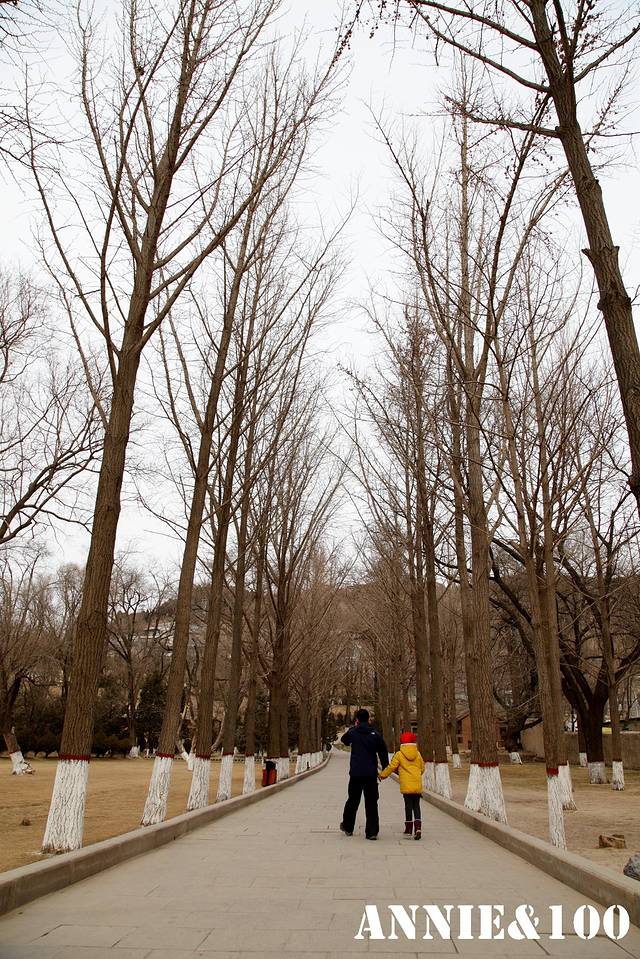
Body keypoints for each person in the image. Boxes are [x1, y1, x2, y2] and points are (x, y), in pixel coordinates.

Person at [339, 708, 388, 840]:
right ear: (369, 719)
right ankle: (372, 832)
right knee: (371, 802)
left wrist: (354, 728)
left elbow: (344, 740)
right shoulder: (375, 734)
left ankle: (348, 827)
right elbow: (383, 751)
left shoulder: (353, 732)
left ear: (357, 720)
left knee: (352, 801)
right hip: (370, 774)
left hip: (356, 773)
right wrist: (385, 768)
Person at [378, 731, 425, 839]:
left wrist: (382, 775)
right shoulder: (418, 754)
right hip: (417, 783)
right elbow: (422, 768)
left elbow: (391, 767)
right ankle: (418, 828)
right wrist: (416, 774)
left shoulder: (399, 754)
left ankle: (408, 829)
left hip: (406, 784)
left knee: (408, 806)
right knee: (416, 806)